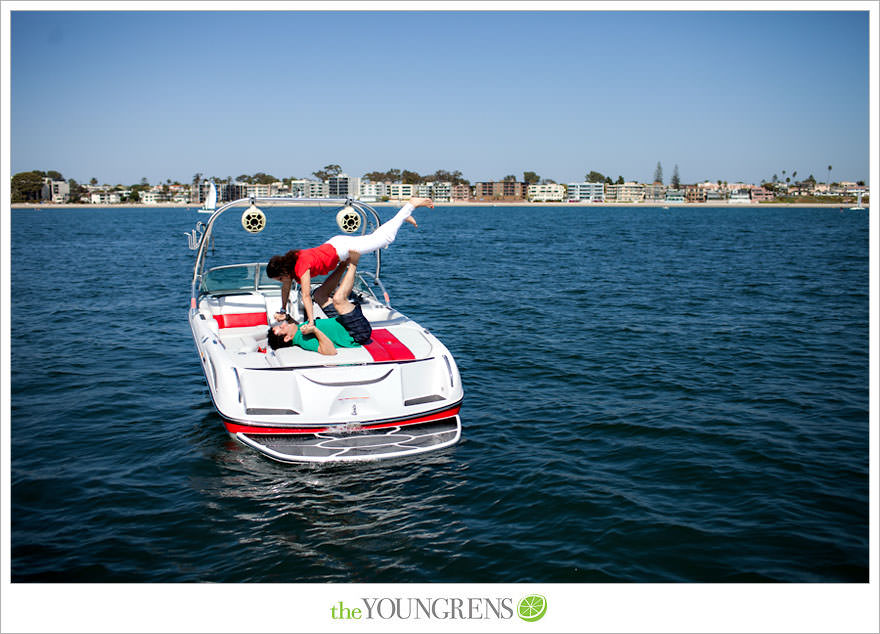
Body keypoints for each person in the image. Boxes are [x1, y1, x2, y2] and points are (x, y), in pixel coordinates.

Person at [266, 198, 433, 329]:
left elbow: (305, 296)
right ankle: (403, 217)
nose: (282, 283)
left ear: (284, 273)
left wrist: (311, 322)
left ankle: (411, 205)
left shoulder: (301, 267)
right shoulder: (293, 260)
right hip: (336, 245)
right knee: (374, 239)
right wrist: (282, 309)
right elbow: (286, 288)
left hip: (342, 249)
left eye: (280, 279)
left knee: (386, 239)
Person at [266, 251, 371, 355]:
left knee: (319, 295)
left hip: (340, 321)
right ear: (287, 337)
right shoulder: (303, 341)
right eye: (281, 328)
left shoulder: (298, 332)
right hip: (356, 331)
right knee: (338, 300)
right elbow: (330, 351)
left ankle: (344, 264)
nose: (283, 324)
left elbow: (286, 288)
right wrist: (315, 330)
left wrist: (287, 317)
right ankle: (353, 262)